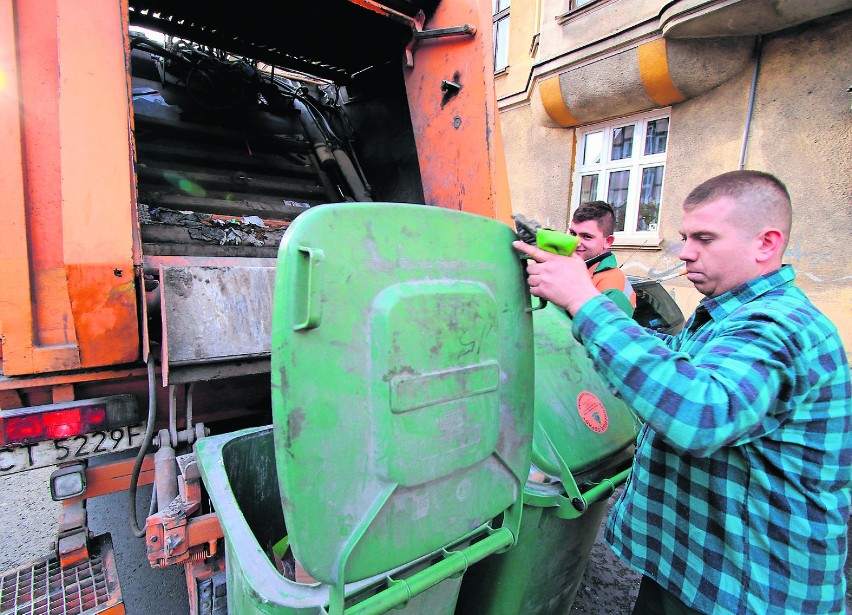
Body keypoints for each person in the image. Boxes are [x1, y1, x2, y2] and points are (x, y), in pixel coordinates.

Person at [513, 170, 852, 615]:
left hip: (750, 591)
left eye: (705, 239)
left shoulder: (779, 325)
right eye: (684, 237)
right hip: (703, 574)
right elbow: (669, 358)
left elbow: (699, 414)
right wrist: (573, 312)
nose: (686, 254)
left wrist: (584, 302)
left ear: (766, 244)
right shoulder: (729, 315)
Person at [569, 200, 636, 316]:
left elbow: (610, 332)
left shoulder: (612, 288)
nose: (576, 242)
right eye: (573, 233)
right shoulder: (576, 268)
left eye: (586, 236)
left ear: (608, 241)